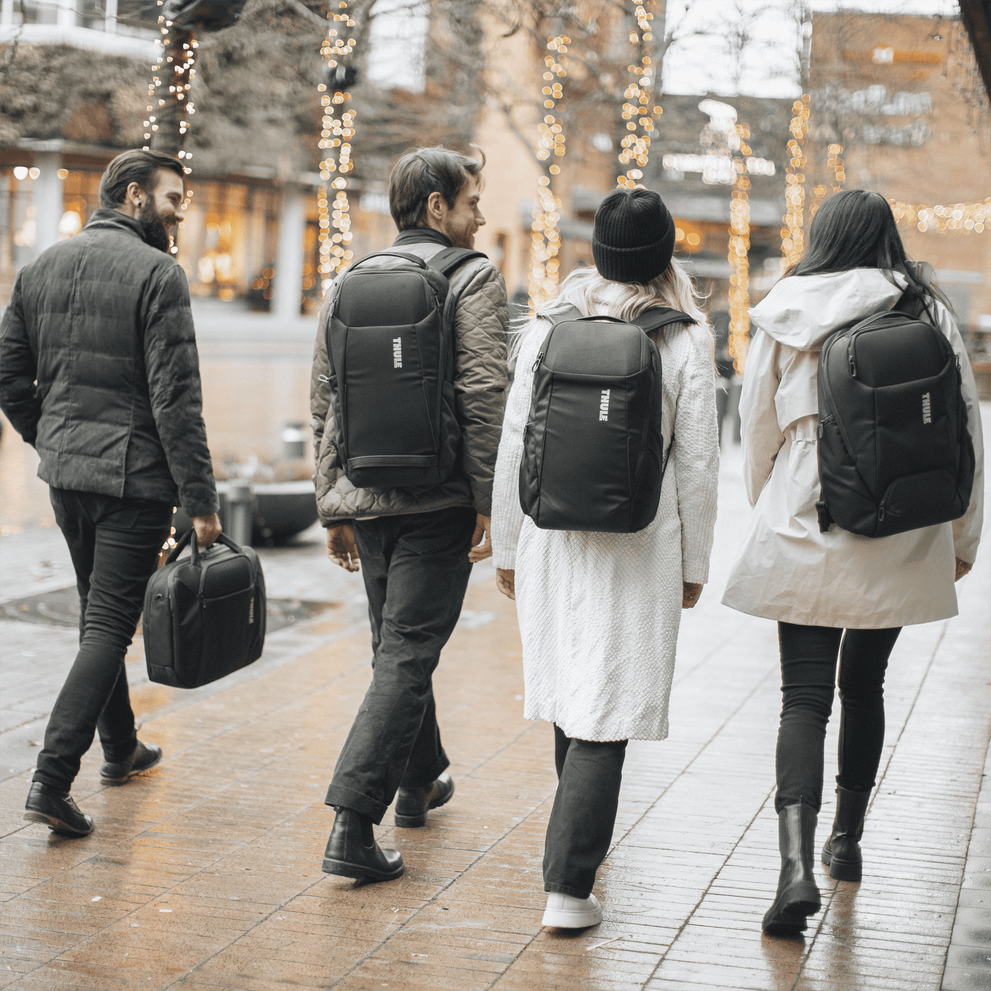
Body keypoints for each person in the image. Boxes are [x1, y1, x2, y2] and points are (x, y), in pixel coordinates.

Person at [721, 189, 984, 935]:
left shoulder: (784, 307)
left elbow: (757, 424)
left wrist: (766, 503)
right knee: (864, 684)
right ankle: (848, 840)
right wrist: (960, 538)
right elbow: (964, 430)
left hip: (807, 513)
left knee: (802, 699)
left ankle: (793, 865)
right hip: (901, 523)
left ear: (823, 236)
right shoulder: (922, 310)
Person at [491, 187, 720, 929]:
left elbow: (513, 443)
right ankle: (567, 883)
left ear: (597, 253)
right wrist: (694, 563)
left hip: (553, 538)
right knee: (605, 706)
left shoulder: (546, 327)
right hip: (639, 541)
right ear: (662, 257)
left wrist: (507, 541)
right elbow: (697, 466)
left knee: (573, 691)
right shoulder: (682, 338)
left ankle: (576, 845)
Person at [0, 148, 221, 837]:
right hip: (132, 480)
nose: (180, 211)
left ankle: (120, 747)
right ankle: (52, 777)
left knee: (101, 613)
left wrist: (54, 438)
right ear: (131, 196)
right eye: (172, 197)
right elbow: (176, 396)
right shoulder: (159, 274)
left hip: (69, 478)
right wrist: (201, 499)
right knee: (107, 624)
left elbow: (9, 372)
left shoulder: (42, 267)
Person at [311, 146, 509, 880]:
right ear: (435, 208)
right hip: (437, 500)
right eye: (470, 202)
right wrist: (489, 500)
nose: (479, 215)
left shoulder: (351, 280)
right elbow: (484, 392)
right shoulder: (474, 276)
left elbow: (324, 397)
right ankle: (352, 825)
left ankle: (418, 779)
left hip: (366, 494)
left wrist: (331, 502)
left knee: (393, 647)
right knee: (407, 652)